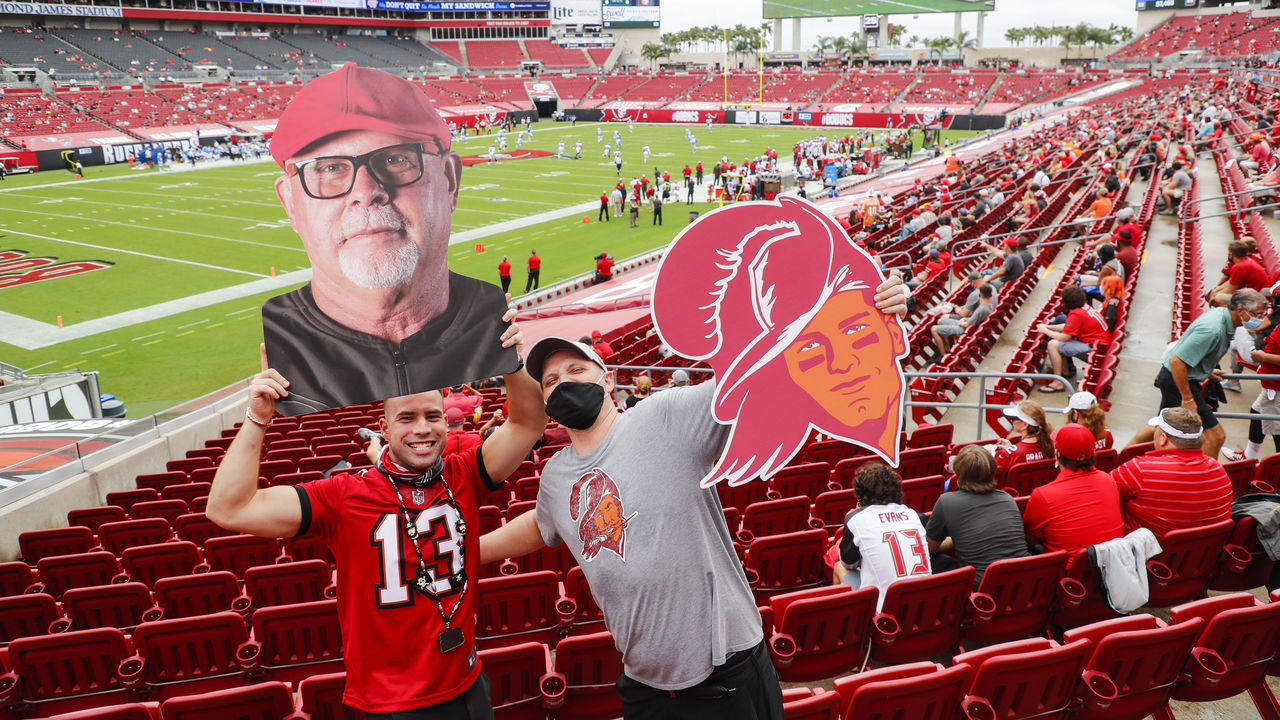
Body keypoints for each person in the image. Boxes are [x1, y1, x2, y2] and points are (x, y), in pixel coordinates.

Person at [477, 278, 907, 718]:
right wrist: (469, 552)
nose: (563, 383)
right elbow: (543, 524)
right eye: (551, 380)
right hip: (643, 682)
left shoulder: (664, 416)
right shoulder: (555, 475)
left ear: (608, 380)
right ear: (546, 400)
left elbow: (755, 378)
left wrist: (865, 313)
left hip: (727, 672)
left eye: (576, 371)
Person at [206, 327, 546, 717]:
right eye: (407, 418)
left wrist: (512, 363)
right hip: (390, 705)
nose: (422, 428)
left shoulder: (463, 474)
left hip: (467, 685)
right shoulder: (341, 496)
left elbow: (527, 423)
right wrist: (257, 417)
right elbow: (229, 508)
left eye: (433, 416)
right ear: (384, 429)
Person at [260, 64, 518, 415]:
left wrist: (519, 370)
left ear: (450, 181)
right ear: (290, 202)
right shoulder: (288, 366)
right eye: (330, 168)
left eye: (396, 159)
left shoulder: (491, 327)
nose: (366, 192)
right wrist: (256, 420)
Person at [1129, 289, 1268, 459]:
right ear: (1240, 311)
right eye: (1258, 314)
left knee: (1160, 426)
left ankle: (1122, 458)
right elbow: (1176, 361)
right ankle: (1206, 480)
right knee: (1214, 437)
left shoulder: (1224, 317)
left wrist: (1206, 370)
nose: (1260, 319)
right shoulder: (1212, 330)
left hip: (1181, 378)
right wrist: (1187, 398)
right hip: (1177, 381)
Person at [1112, 408, 1233, 535]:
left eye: (1156, 431)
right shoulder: (1220, 472)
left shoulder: (1140, 469)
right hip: (1203, 553)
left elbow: (1101, 495)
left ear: (1163, 438)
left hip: (1147, 553)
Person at [926, 445, 1028, 586]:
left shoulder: (946, 501)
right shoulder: (1007, 499)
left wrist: (952, 540)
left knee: (928, 561)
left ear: (958, 472)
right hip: (1024, 580)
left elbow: (929, 549)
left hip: (982, 587)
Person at [836, 463, 932, 607]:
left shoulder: (856, 520)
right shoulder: (912, 515)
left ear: (860, 494)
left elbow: (848, 564)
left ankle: (847, 623)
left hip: (885, 613)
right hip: (923, 604)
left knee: (839, 567)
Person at [1022, 423, 1123, 552]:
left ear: (1057, 455)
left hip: (1066, 570)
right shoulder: (1108, 480)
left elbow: (1029, 541)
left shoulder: (1043, 495)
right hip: (1109, 566)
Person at [1037, 285, 1110, 393]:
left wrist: (1045, 331)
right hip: (1099, 345)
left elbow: (1064, 337)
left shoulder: (1076, 313)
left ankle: (1058, 383)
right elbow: (1068, 326)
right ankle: (1065, 372)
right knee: (1059, 341)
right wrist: (1049, 327)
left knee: (1053, 344)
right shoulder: (1085, 308)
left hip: (1096, 350)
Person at [993, 400, 1054, 479]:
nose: (1011, 421)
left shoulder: (1009, 455)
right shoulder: (1050, 447)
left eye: (1013, 418)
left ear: (1025, 424)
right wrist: (1011, 449)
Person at [931, 283, 993, 359]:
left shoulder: (981, 309)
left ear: (979, 295)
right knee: (941, 321)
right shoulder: (990, 306)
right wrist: (964, 319)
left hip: (966, 330)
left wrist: (962, 322)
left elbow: (967, 324)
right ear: (991, 295)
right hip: (970, 326)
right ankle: (948, 349)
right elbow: (974, 319)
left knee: (933, 329)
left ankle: (943, 356)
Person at [1207, 240, 1270, 306]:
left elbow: (1230, 290)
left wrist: (1215, 295)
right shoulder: (1246, 261)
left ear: (1231, 254)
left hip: (1257, 300)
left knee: (1218, 298)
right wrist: (1215, 289)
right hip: (1254, 295)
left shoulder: (1239, 267)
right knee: (1212, 293)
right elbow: (1230, 282)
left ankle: (1231, 316)